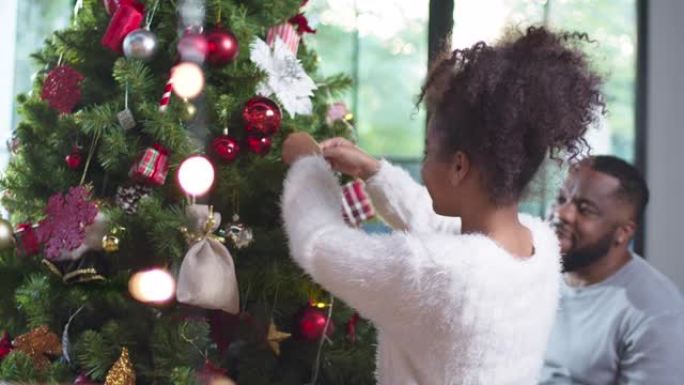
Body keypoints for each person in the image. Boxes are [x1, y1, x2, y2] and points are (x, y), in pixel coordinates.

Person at [281, 26, 603, 384]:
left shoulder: (438, 273)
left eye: (428, 153)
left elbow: (318, 245)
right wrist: (372, 171)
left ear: (460, 166)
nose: (423, 165)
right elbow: (435, 227)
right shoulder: (537, 245)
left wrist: (307, 166)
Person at [540, 155, 684, 385]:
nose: (562, 213)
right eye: (560, 199)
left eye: (585, 209)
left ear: (623, 232)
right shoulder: (536, 273)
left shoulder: (656, 312)